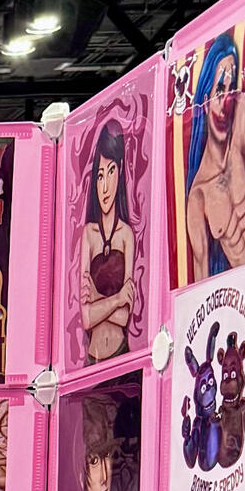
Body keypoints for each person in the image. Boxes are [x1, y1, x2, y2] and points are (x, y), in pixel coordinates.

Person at [184, 30, 245, 280]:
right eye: (219, 91)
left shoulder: (243, 114)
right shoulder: (199, 196)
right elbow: (199, 285)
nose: (225, 103)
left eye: (230, 89)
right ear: (205, 99)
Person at [78, 119, 137, 364]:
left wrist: (97, 300)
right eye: (100, 175)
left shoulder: (126, 235)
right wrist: (118, 299)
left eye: (111, 171)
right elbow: (86, 318)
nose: (104, 187)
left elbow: (124, 317)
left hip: (121, 355)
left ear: (120, 170)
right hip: (92, 360)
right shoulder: (88, 235)